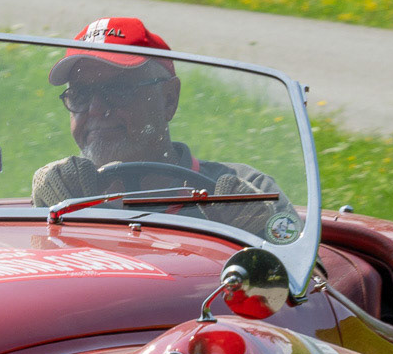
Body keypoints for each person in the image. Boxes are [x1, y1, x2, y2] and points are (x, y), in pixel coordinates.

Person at [31, 17, 301, 243]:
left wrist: (255, 239)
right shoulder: (60, 195)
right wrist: (43, 223)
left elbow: (309, 290)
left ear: (169, 99)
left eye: (119, 90)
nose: (95, 109)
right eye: (80, 95)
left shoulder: (245, 193)